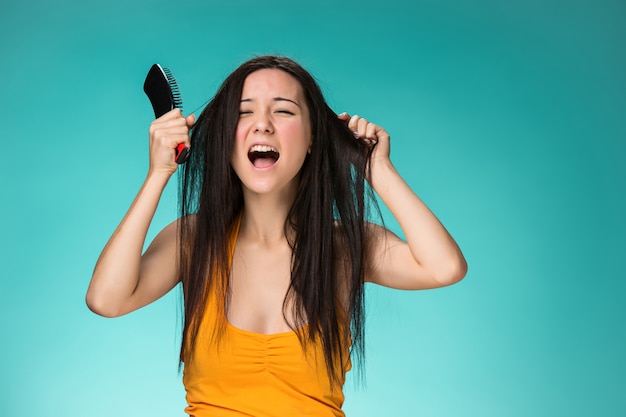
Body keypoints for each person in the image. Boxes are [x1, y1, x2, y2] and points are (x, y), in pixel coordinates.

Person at [86, 55, 467, 417]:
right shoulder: (193, 239)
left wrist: (375, 169)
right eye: (243, 111)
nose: (262, 124)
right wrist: (158, 174)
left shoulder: (345, 246)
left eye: (283, 110)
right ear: (225, 138)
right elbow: (107, 299)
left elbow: (444, 268)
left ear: (314, 138)